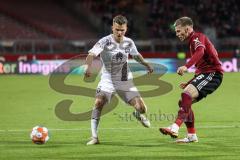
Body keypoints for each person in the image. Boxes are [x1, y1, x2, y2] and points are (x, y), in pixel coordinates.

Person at [85, 15, 153, 145]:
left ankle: (138, 115)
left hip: (124, 79)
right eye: (117, 29)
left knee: (142, 108)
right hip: (108, 79)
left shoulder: (129, 42)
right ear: (112, 28)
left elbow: (136, 55)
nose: (119, 32)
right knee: (98, 103)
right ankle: (94, 137)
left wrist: (146, 64)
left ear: (126, 28)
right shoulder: (104, 41)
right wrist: (88, 67)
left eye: (122, 30)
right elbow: (91, 54)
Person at [159, 17, 223, 143]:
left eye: (178, 31)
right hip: (206, 74)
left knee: (186, 95)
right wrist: (190, 82)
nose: (177, 34)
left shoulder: (197, 37)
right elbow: (202, 66)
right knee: (183, 101)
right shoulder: (193, 40)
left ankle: (175, 127)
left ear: (187, 29)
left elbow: (200, 52)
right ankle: (191, 135)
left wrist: (186, 66)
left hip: (213, 74)